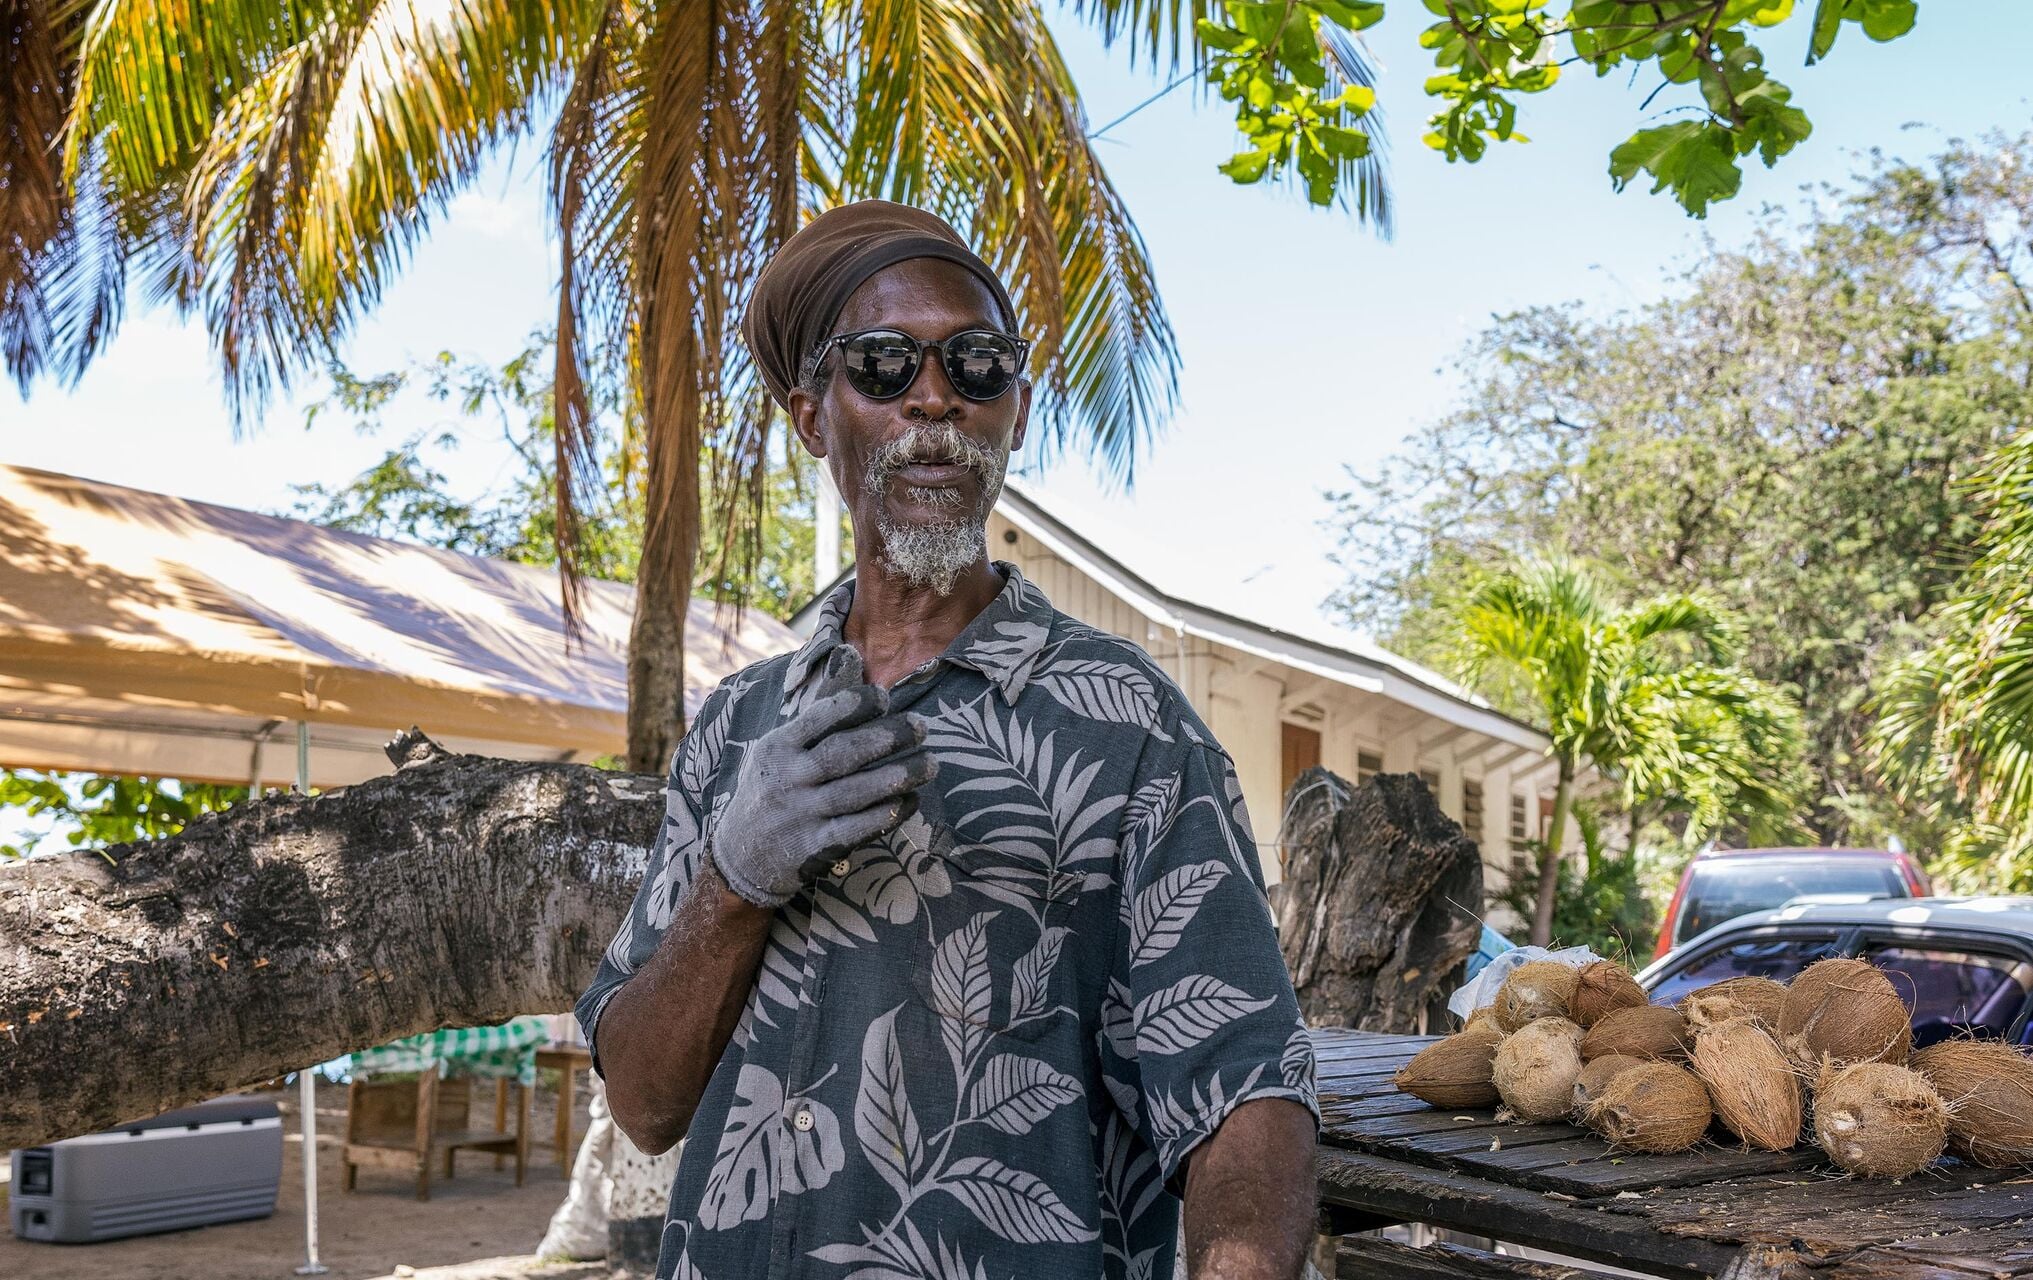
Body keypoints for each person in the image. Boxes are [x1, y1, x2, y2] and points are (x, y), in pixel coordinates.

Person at [577, 200, 1319, 1280]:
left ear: (1015, 410)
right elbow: (644, 1106)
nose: (934, 395)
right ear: (812, 415)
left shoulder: (1130, 724)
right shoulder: (735, 727)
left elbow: (1246, 1095)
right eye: (882, 364)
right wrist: (731, 883)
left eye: (977, 363)